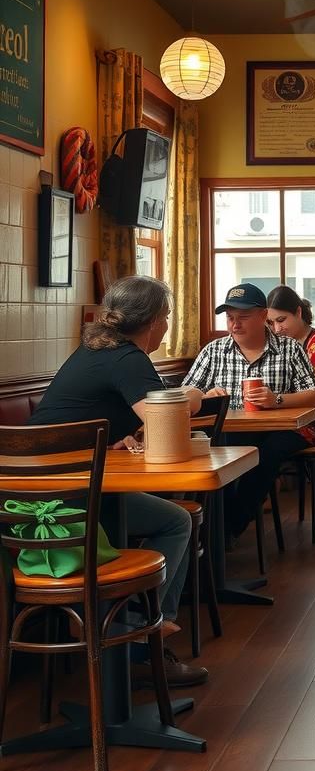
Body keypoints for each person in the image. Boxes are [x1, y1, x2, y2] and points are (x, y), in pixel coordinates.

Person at [28, 275, 209, 687]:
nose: (166, 325)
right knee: (176, 521)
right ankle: (142, 635)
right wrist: (194, 398)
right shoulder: (128, 358)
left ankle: (127, 628)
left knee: (156, 516)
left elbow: (78, 417)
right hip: (68, 505)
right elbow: (166, 420)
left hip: (31, 499)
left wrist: (110, 438)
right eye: (166, 317)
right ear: (153, 322)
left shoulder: (91, 350)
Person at [182, 282, 315, 540]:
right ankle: (214, 535)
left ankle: (224, 531)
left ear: (262, 315)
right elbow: (186, 392)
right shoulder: (214, 350)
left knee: (266, 454)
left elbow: (313, 394)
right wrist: (204, 395)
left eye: (243, 317)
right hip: (231, 431)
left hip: (278, 431)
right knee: (217, 456)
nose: (235, 324)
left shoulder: (289, 349)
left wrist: (276, 399)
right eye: (230, 318)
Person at [266, 285, 315, 447]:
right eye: (270, 323)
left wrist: (276, 399)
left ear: (298, 312)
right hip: (285, 422)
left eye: (281, 320)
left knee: (265, 448)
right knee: (240, 439)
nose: (276, 329)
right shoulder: (278, 345)